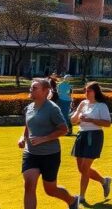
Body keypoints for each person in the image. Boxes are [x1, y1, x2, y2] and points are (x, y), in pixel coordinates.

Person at [19, 79, 78, 209]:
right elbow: (28, 126)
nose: (31, 90)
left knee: (50, 190)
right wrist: (23, 138)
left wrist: (44, 139)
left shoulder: (52, 109)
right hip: (31, 153)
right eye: (31, 87)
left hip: (50, 155)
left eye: (35, 88)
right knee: (29, 185)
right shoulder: (30, 107)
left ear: (45, 91)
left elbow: (64, 129)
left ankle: (72, 200)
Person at [70, 82, 112, 205]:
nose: (86, 93)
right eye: (85, 90)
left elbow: (107, 123)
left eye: (89, 91)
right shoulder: (83, 103)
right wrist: (78, 115)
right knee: (81, 168)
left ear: (95, 92)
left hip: (94, 136)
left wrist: (91, 120)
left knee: (85, 168)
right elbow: (73, 121)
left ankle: (82, 197)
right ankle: (104, 181)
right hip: (82, 134)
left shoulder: (101, 106)